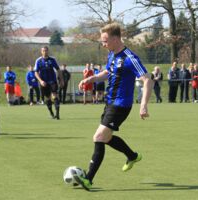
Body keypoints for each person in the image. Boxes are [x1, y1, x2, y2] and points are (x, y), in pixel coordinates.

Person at [73, 23, 154, 191]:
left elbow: (147, 80)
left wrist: (143, 105)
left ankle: (88, 179)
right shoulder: (112, 54)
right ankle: (132, 156)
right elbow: (108, 72)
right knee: (107, 138)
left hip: (121, 105)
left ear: (116, 39)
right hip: (110, 103)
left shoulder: (130, 58)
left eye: (105, 41)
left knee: (99, 137)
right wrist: (91, 79)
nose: (103, 44)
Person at [34, 46, 64, 119]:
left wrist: (61, 80)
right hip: (44, 82)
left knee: (55, 95)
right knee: (48, 98)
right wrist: (40, 81)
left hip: (52, 81)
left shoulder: (52, 59)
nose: (45, 52)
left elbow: (58, 70)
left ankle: (57, 114)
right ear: (41, 52)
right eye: (43, 51)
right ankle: (51, 113)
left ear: (48, 51)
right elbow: (36, 72)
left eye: (46, 50)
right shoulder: (38, 61)